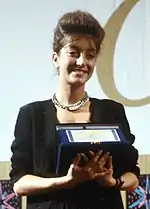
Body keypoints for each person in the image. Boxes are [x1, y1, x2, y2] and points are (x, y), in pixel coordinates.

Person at [10, 10, 139, 209]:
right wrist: (67, 181)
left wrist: (112, 182)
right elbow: (19, 183)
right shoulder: (31, 115)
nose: (82, 62)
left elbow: (132, 176)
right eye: (73, 52)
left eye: (90, 55)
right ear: (55, 58)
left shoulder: (112, 111)